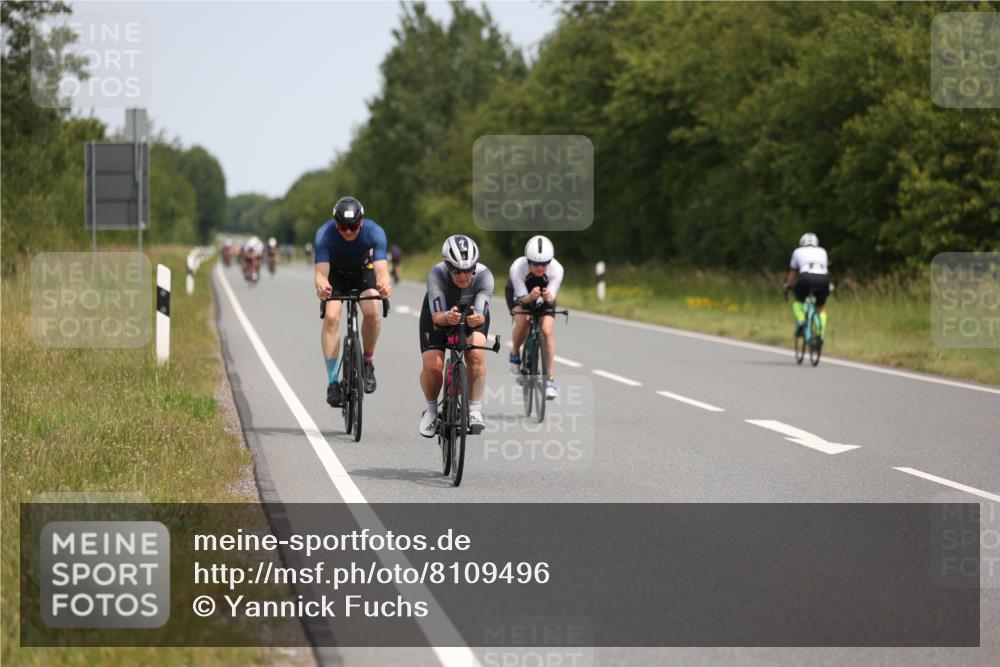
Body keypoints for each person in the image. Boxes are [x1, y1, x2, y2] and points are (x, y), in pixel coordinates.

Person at [314, 196, 392, 407]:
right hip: (336, 276)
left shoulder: (375, 232)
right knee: (331, 318)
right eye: (342, 227)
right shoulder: (324, 234)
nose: (348, 232)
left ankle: (367, 362)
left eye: (354, 226)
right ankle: (332, 382)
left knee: (372, 313)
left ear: (361, 222)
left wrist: (384, 284)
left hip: (362, 273)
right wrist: (321, 285)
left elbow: (382, 269)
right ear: (335, 224)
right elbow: (321, 274)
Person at [418, 235, 494, 437]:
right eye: (456, 270)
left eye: (468, 269)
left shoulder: (485, 276)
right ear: (447, 266)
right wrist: (447, 317)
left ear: (475, 266)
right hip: (440, 314)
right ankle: (431, 410)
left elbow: (480, 315)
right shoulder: (436, 274)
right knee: (432, 366)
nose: (462, 275)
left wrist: (476, 320)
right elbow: (436, 317)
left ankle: (475, 408)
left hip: (470, 316)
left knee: (476, 353)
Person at [506, 235, 564, 399]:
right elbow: (522, 298)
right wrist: (530, 297)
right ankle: (515, 353)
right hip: (520, 292)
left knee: (546, 331)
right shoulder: (518, 267)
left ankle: (549, 380)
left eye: (544, 263)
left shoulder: (557, 269)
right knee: (523, 322)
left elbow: (551, 298)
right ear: (528, 261)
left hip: (544, 294)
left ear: (550, 261)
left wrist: (547, 297)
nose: (540, 267)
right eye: (535, 263)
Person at [783, 233, 830, 339]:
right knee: (821, 308)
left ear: (802, 243)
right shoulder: (822, 251)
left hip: (806, 278)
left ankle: (801, 321)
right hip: (823, 279)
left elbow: (793, 272)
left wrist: (787, 285)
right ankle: (820, 334)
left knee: (798, 302)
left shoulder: (797, 251)